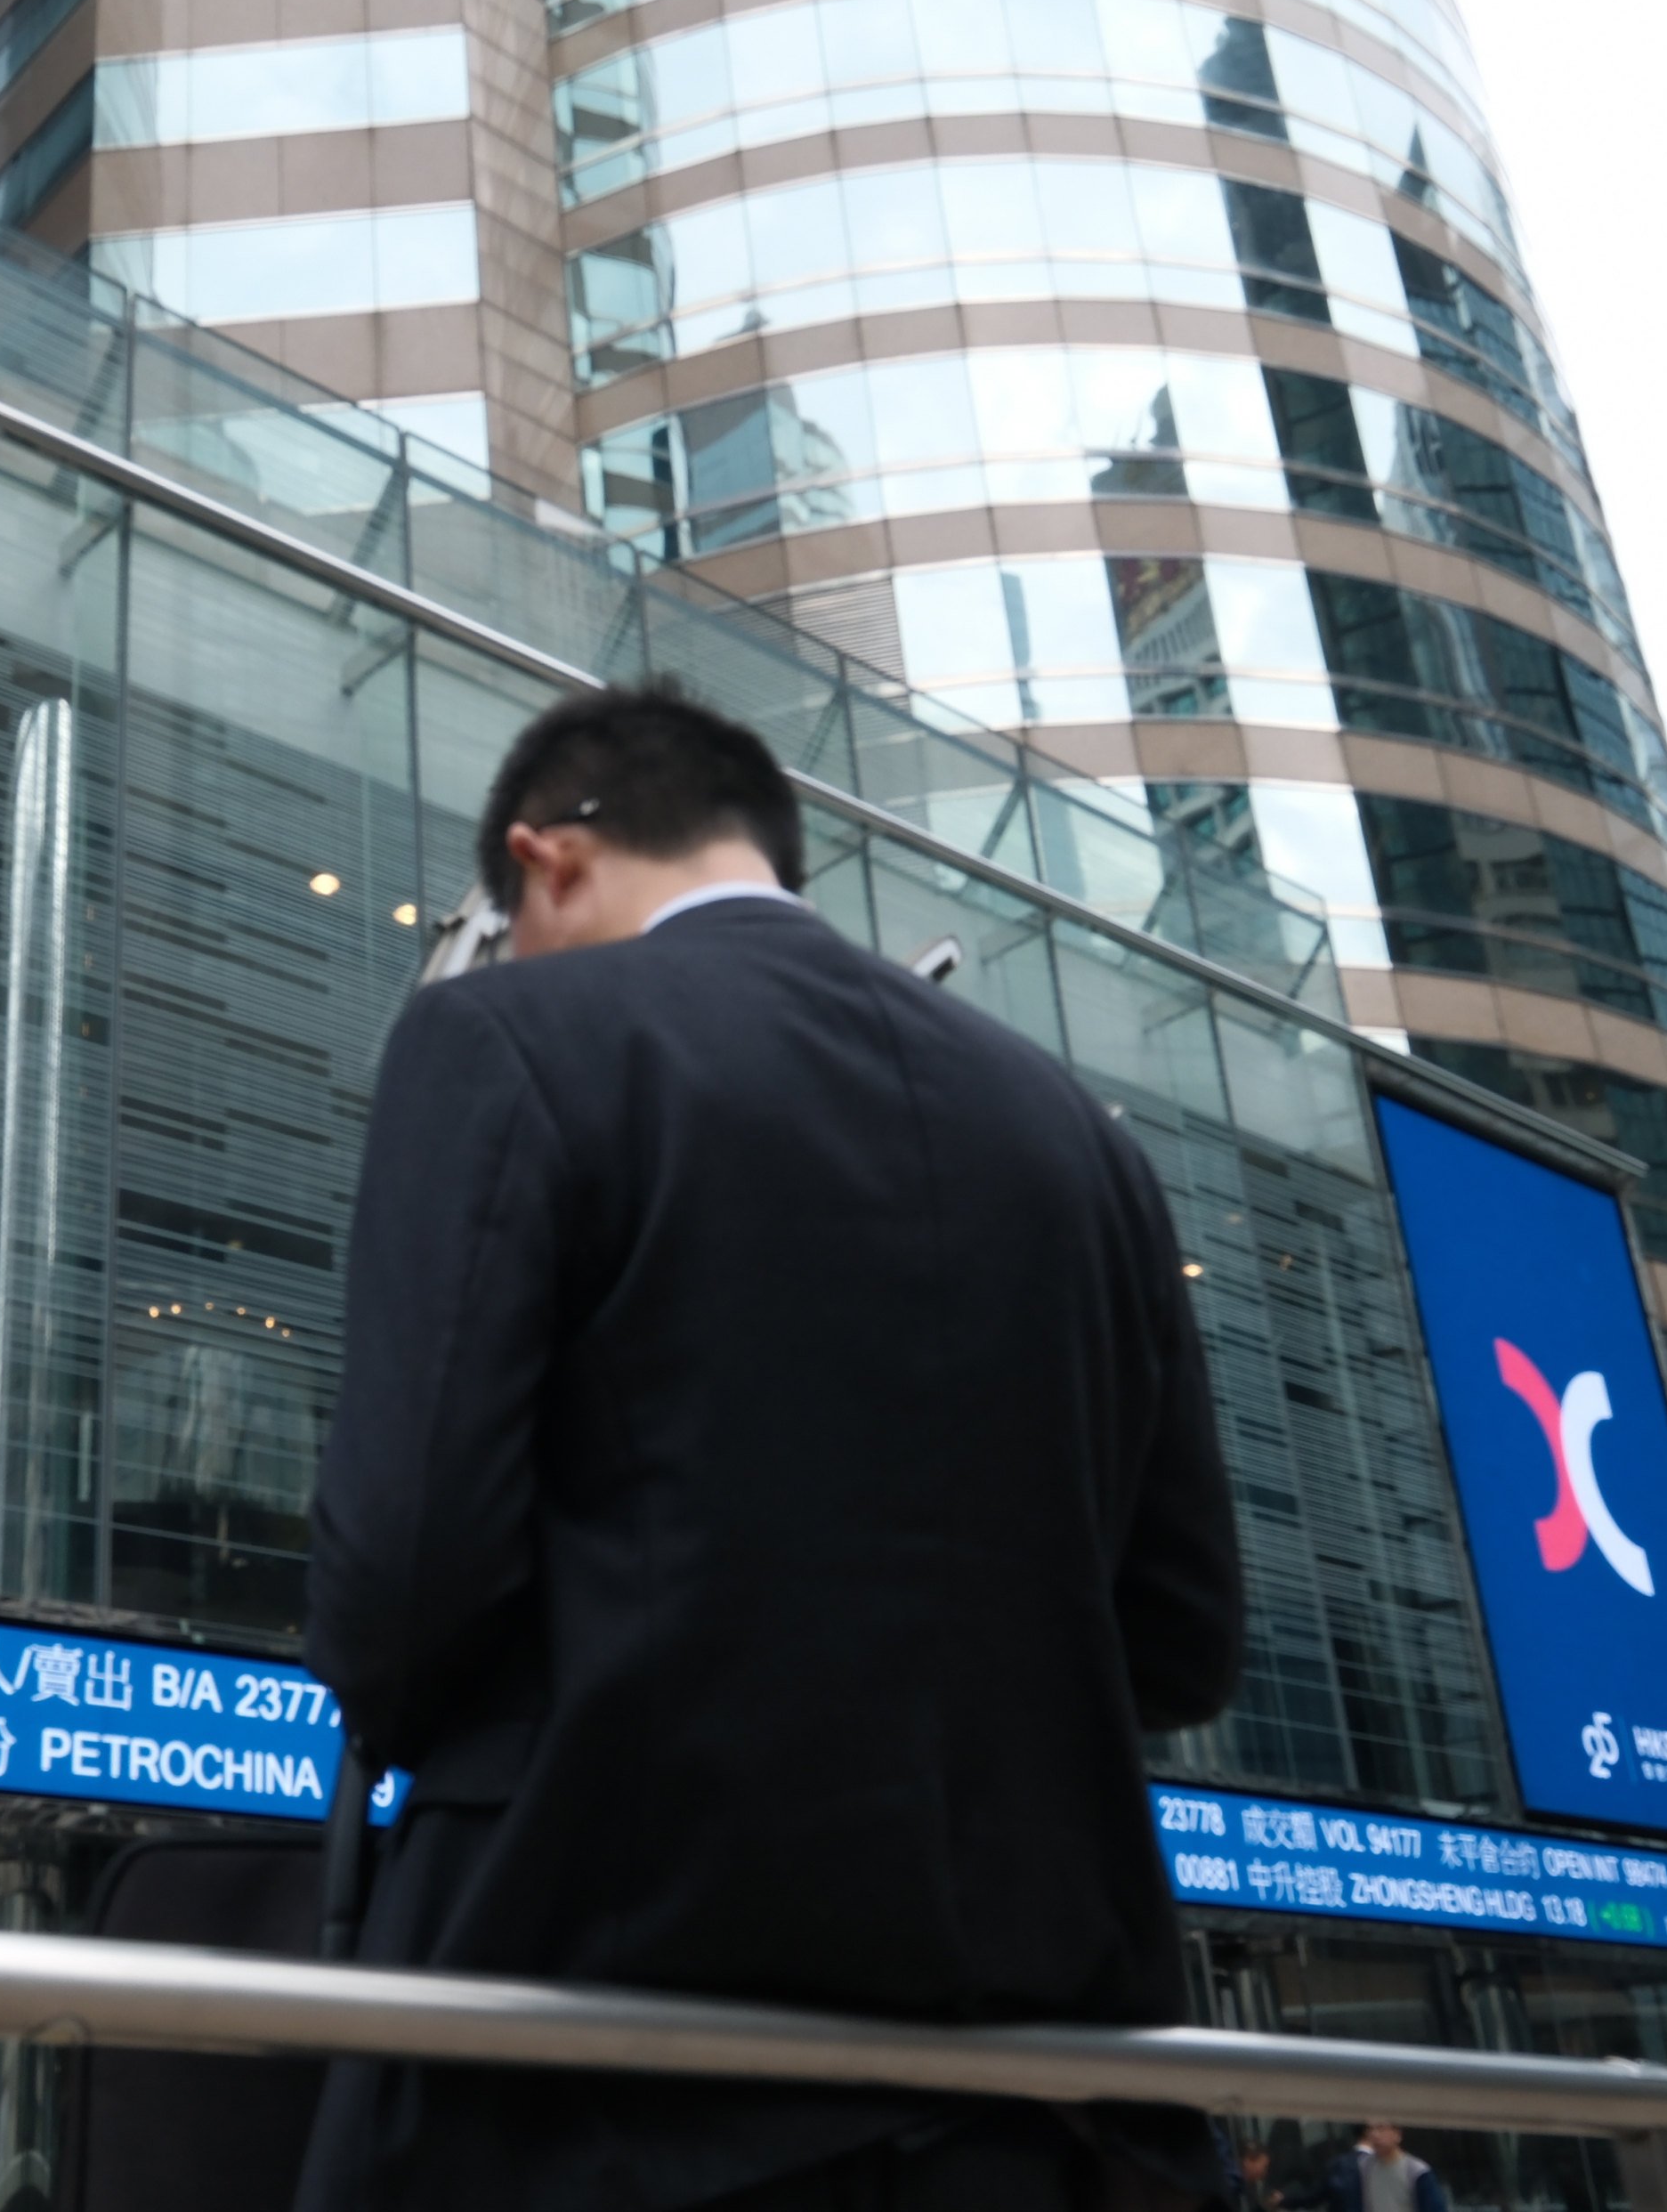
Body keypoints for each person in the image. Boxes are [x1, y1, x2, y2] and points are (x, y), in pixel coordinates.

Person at [299, 685, 1245, 2212]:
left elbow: (402, 1584)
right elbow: (1184, 1645)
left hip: (595, 2083)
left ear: (547, 861)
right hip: (1046, 2120)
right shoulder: (1085, 1142)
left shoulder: (500, 1038)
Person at [1318, 2123, 1447, 2212]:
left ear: (1397, 2134)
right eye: (1370, 2129)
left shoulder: (1416, 2171)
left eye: (1381, 2128)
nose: (1375, 2134)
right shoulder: (1364, 2167)